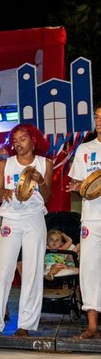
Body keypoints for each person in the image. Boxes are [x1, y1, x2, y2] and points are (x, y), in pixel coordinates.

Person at [0, 124, 53, 337]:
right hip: (10, 219)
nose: (18, 142)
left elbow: (47, 196)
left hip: (34, 218)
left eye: (23, 138)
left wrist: (40, 180)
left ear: (34, 140)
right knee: (4, 270)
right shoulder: (4, 165)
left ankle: (25, 324)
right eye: (15, 139)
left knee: (32, 271)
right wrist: (2, 193)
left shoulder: (45, 163)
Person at [67, 102, 101, 339]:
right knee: (89, 269)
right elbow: (76, 185)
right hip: (91, 217)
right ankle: (92, 326)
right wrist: (79, 186)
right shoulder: (84, 149)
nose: (98, 121)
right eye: (97, 117)